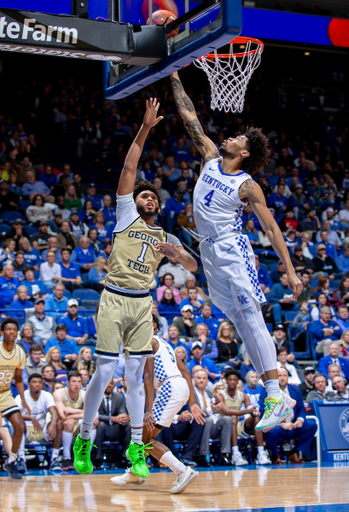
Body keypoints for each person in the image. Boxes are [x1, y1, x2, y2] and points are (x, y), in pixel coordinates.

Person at [73, 98, 197, 479]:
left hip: (143, 304)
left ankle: (136, 448)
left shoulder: (163, 235)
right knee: (104, 370)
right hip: (114, 298)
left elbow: (194, 266)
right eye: (145, 195)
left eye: (154, 198)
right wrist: (145, 128)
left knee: (134, 376)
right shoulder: (126, 214)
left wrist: (177, 253)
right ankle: (83, 436)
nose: (150, 199)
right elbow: (130, 166)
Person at [171, 71, 301, 431]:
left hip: (231, 248)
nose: (231, 135)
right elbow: (189, 117)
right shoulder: (210, 158)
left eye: (239, 137)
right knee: (241, 322)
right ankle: (276, 392)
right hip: (209, 253)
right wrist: (174, 73)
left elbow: (272, 228)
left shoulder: (247, 185)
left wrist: (289, 271)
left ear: (244, 153)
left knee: (251, 313)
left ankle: (275, 393)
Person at [112, 316, 205, 491]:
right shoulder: (165, 345)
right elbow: (186, 372)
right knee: (144, 437)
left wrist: (149, 410)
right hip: (180, 387)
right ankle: (135, 472)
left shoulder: (149, 341)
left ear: (152, 325)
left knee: (146, 439)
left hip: (169, 387)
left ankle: (183, 471)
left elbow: (147, 378)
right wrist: (192, 403)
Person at [260, 368, 317, 464]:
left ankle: (294, 453)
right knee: (272, 430)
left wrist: (299, 420)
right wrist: (281, 424)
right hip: (277, 426)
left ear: (288, 377)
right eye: (279, 376)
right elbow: (264, 411)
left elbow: (301, 409)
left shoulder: (295, 389)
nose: (282, 378)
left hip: (293, 425)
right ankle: (275, 455)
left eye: (284, 375)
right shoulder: (266, 391)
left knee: (311, 425)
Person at [216, 368, 271, 465]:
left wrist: (254, 411)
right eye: (230, 379)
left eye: (234, 380)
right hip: (224, 426)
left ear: (238, 382)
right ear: (226, 381)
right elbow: (227, 411)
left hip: (238, 425)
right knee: (232, 417)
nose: (232, 382)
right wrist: (247, 410)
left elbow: (250, 407)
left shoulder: (243, 395)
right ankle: (235, 454)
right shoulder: (220, 395)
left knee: (256, 418)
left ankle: (261, 453)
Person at [15, 373, 63, 472]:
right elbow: (16, 415)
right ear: (28, 384)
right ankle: (21, 459)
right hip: (26, 431)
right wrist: (32, 418)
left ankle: (54, 459)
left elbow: (54, 412)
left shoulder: (47, 395)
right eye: (34, 382)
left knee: (58, 423)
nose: (37, 384)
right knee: (18, 423)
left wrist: (53, 423)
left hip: (42, 431)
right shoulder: (21, 397)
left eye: (40, 382)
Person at [0, 318, 29, 479]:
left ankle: (11, 461)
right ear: (2, 332)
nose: (12, 332)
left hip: (4, 393)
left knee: (20, 426)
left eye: (14, 330)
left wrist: (23, 400)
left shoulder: (19, 352)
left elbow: (18, 379)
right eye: (8, 329)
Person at [54, 371, 98, 471]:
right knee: (69, 422)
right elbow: (63, 416)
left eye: (79, 381)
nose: (77, 384)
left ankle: (86, 457)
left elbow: (94, 414)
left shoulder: (84, 394)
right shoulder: (59, 393)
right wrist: (84, 414)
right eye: (73, 381)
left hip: (77, 423)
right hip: (62, 425)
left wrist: (73, 411)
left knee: (92, 425)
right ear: (68, 383)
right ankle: (67, 458)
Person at [193, 369, 232, 466]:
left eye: (204, 378)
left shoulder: (209, 393)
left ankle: (225, 455)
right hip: (197, 426)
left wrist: (216, 410)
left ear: (207, 381)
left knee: (227, 419)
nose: (201, 380)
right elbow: (195, 413)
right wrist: (211, 410)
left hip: (212, 426)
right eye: (199, 378)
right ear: (194, 380)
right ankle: (203, 455)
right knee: (208, 421)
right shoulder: (191, 394)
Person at [94, 380, 131, 469]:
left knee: (128, 425)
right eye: (107, 383)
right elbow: (96, 416)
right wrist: (112, 419)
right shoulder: (96, 397)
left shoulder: (119, 397)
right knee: (100, 425)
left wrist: (123, 418)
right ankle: (97, 459)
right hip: (101, 428)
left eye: (111, 383)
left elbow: (122, 412)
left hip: (114, 429)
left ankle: (123, 457)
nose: (109, 386)